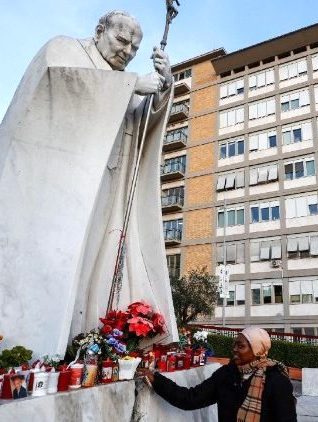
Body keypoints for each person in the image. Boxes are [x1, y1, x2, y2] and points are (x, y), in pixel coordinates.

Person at [0, 10, 178, 356]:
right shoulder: (64, 50)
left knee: (96, 267)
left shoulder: (123, 81)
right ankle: (41, 346)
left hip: (108, 187)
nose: (127, 52)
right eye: (121, 41)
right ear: (99, 31)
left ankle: (85, 342)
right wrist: (129, 86)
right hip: (61, 189)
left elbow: (142, 125)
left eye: (134, 48)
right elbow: (56, 90)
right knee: (66, 263)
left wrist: (162, 88)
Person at [139, 327, 297, 422]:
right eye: (234, 345)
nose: (234, 349)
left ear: (257, 351)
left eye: (241, 346)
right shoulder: (227, 374)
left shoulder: (276, 380)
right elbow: (191, 399)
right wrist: (156, 379)